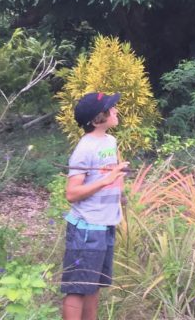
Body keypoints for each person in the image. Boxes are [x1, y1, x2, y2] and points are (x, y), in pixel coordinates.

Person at [60, 92, 129, 320]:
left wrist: (120, 187)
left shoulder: (110, 141)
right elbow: (72, 193)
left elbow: (111, 172)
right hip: (86, 228)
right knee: (78, 287)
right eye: (111, 109)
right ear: (98, 118)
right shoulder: (84, 148)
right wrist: (106, 181)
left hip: (105, 224)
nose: (116, 111)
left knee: (94, 285)